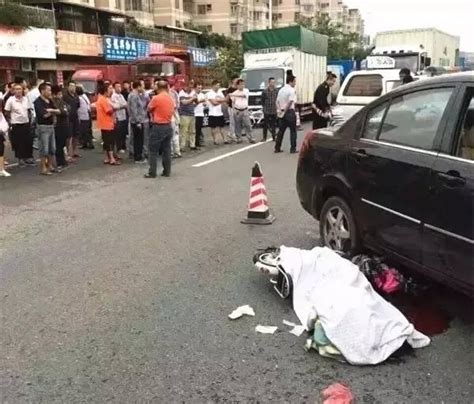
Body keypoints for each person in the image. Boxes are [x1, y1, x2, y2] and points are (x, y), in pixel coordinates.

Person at [146, 80, 174, 178]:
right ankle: (167, 171)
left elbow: (149, 108)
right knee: (166, 150)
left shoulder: (156, 98)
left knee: (152, 150)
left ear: (158, 88)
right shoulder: (170, 98)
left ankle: (152, 172)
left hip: (158, 126)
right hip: (168, 125)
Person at [3, 83, 34, 167]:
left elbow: (29, 110)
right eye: (16, 89)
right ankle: (20, 159)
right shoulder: (10, 100)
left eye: (20, 89)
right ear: (13, 91)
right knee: (19, 142)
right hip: (16, 124)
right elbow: (7, 112)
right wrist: (10, 121)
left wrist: (30, 121)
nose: (18, 91)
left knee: (28, 141)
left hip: (26, 123)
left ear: (22, 90)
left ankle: (28, 157)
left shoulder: (25, 99)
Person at [34, 82, 60, 175]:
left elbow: (58, 110)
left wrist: (51, 111)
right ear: (42, 91)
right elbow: (43, 115)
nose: (50, 92)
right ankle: (43, 168)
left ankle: (50, 165)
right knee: (44, 149)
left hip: (51, 126)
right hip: (43, 127)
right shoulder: (38, 102)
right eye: (48, 90)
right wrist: (52, 112)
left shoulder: (50, 100)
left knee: (52, 148)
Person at [96, 83, 120, 166]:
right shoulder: (104, 100)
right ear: (105, 91)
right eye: (109, 90)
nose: (110, 91)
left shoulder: (100, 99)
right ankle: (112, 158)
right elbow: (109, 111)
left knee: (106, 141)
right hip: (107, 123)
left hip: (103, 123)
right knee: (110, 142)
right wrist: (115, 108)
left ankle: (108, 158)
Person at [275, 75, 298, 154]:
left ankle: (277, 147)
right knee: (293, 131)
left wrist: (280, 110)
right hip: (289, 112)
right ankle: (293, 148)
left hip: (281, 111)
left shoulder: (281, 90)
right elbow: (290, 101)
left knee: (281, 131)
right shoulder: (291, 90)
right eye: (294, 81)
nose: (295, 83)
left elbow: (277, 101)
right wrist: (285, 110)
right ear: (290, 81)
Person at [127, 80, 148, 163]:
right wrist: (137, 121)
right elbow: (134, 109)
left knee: (139, 139)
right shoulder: (134, 96)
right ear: (138, 86)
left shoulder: (135, 95)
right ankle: (138, 157)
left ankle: (138, 155)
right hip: (137, 121)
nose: (143, 87)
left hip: (138, 119)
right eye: (142, 86)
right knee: (138, 140)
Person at [230, 79, 255, 144]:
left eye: (243, 84)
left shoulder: (246, 90)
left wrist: (233, 95)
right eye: (240, 84)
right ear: (237, 85)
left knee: (248, 124)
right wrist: (233, 110)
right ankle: (239, 138)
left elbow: (244, 96)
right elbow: (233, 102)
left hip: (245, 110)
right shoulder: (235, 93)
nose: (242, 86)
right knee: (238, 125)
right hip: (237, 110)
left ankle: (251, 137)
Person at [51, 85, 70, 170]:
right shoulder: (52, 102)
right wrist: (61, 111)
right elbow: (62, 111)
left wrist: (62, 111)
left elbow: (67, 110)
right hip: (57, 125)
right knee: (58, 144)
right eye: (59, 94)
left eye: (61, 94)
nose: (60, 96)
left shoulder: (62, 101)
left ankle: (63, 160)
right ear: (54, 94)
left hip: (65, 124)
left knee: (63, 143)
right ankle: (59, 161)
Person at [207, 80, 230, 145]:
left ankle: (225, 139)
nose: (218, 86)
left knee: (222, 127)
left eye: (219, 85)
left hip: (220, 112)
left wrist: (219, 100)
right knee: (213, 128)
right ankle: (215, 140)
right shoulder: (210, 93)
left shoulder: (220, 92)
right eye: (217, 85)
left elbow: (225, 99)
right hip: (212, 113)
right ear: (213, 85)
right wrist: (220, 101)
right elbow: (213, 103)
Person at [63, 80, 81, 159]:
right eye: (71, 86)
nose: (72, 88)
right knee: (68, 136)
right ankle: (67, 153)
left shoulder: (76, 96)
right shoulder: (65, 96)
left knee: (76, 135)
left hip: (75, 117)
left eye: (74, 86)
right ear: (67, 87)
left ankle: (74, 151)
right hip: (68, 118)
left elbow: (78, 106)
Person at [179, 81, 197, 151]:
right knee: (184, 131)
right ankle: (182, 146)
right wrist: (192, 98)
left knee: (192, 131)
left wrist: (193, 100)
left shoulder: (193, 92)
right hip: (184, 114)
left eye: (192, 86)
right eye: (189, 85)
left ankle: (192, 144)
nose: (191, 87)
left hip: (192, 113)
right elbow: (184, 102)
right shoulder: (181, 92)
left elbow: (196, 102)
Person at [111, 82, 128, 153]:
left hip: (123, 116)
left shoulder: (121, 95)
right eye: (117, 87)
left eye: (120, 86)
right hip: (118, 116)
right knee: (118, 133)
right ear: (114, 88)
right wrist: (122, 106)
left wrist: (122, 105)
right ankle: (119, 147)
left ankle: (124, 146)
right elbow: (115, 106)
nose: (119, 88)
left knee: (123, 132)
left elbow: (126, 104)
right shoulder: (113, 96)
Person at [261, 77, 278, 142]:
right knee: (265, 124)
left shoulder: (276, 91)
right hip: (267, 110)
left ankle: (274, 137)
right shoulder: (265, 91)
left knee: (273, 125)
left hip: (274, 110)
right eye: (271, 82)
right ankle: (264, 137)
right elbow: (262, 101)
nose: (273, 84)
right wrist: (264, 108)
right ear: (269, 83)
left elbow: (278, 99)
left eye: (274, 82)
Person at [169, 82, 181, 158]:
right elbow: (177, 106)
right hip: (174, 117)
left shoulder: (169, 94)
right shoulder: (174, 93)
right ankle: (177, 151)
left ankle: (172, 152)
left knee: (171, 136)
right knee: (175, 135)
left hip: (169, 118)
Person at [194, 83, 207, 148]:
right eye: (198, 88)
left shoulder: (202, 95)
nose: (200, 89)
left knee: (199, 129)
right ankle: (195, 143)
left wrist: (204, 103)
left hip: (201, 113)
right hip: (195, 114)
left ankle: (198, 142)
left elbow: (205, 104)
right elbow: (193, 104)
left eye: (200, 88)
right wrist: (200, 101)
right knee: (195, 129)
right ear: (195, 88)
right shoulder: (193, 94)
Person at [0, 101, 11, 177]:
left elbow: (5, 124)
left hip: (0, 134)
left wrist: (3, 131)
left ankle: (1, 169)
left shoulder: (0, 114)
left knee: (1, 151)